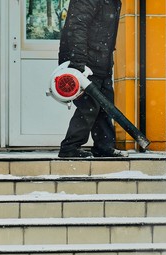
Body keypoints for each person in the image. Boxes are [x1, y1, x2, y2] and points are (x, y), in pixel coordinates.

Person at [57, 0, 127, 158]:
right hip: (85, 60)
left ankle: (104, 146)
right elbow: (77, 26)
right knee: (89, 105)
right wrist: (79, 63)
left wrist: (107, 62)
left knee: (105, 104)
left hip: (101, 61)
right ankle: (70, 148)